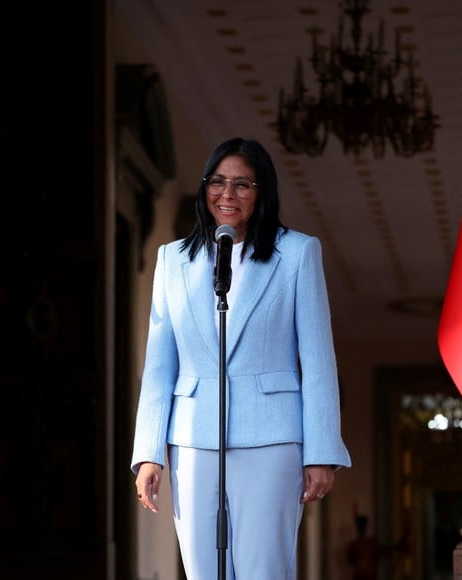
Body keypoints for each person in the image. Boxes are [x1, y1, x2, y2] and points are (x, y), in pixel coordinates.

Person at [130, 137, 351, 579]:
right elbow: (159, 366)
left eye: (242, 184)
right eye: (218, 182)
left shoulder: (298, 254)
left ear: (262, 191)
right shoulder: (172, 260)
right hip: (192, 438)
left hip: (272, 437)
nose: (227, 195)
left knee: (262, 571)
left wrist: (321, 451)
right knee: (202, 572)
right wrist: (149, 451)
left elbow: (319, 359)